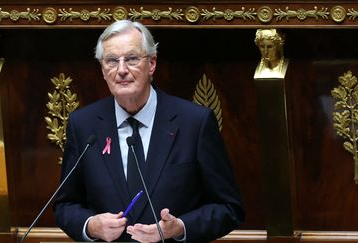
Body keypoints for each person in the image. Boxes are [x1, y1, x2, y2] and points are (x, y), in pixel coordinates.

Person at [54, 20, 244, 242]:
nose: (122, 70)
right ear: (103, 70)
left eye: (132, 59)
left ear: (151, 64)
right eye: (112, 61)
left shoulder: (195, 122)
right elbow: (65, 205)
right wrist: (91, 226)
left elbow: (229, 208)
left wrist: (180, 227)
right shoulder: (83, 124)